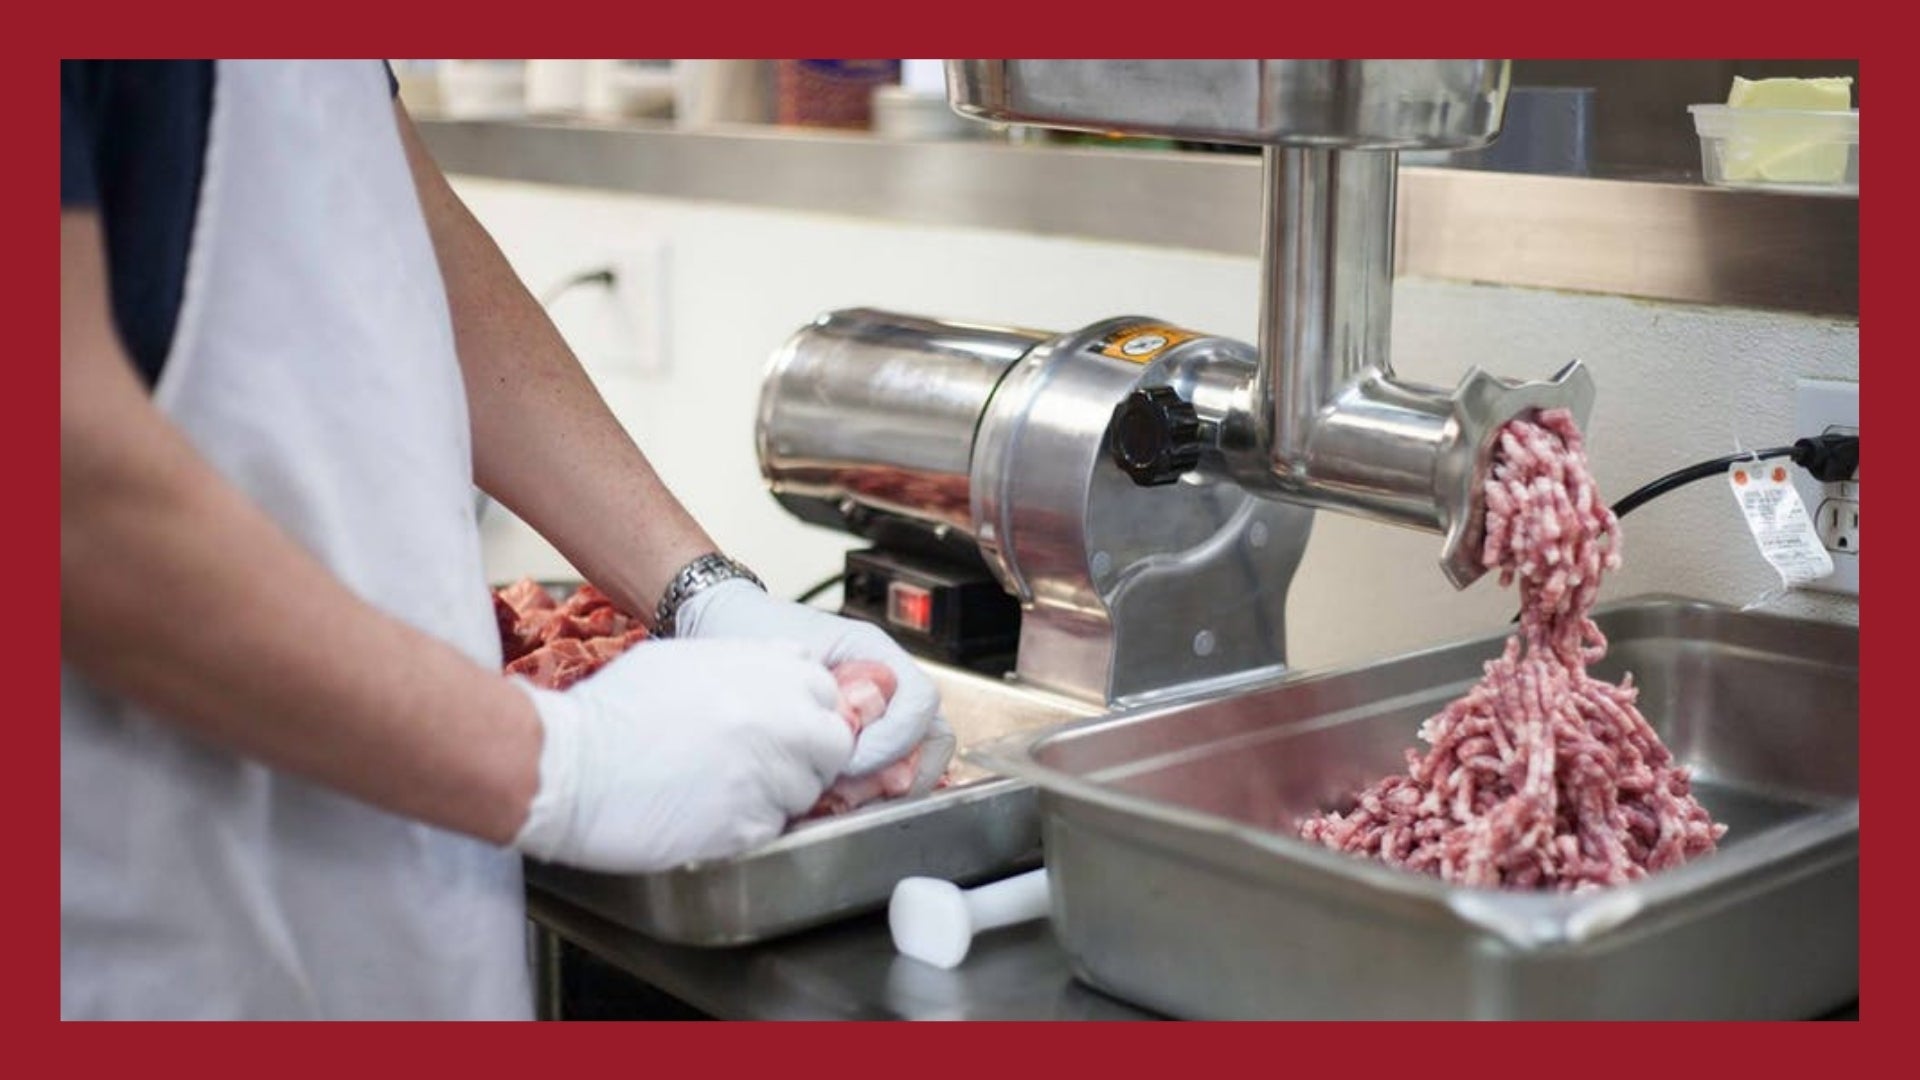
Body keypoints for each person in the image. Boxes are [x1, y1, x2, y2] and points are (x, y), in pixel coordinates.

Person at [60, 59, 949, 1020]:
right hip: (157, 915)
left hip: (402, 874)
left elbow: (401, 236)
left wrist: (703, 595)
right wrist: (563, 765)